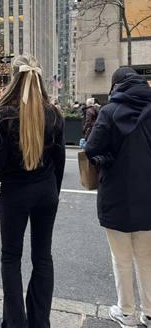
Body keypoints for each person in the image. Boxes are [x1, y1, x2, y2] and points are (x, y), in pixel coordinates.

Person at [0, 55, 66, 328]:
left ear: (13, 79)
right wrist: (53, 191)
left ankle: (15, 323)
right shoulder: (53, 114)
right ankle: (40, 322)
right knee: (43, 257)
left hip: (15, 193)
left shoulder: (1, 116)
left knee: (11, 258)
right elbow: (60, 161)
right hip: (46, 191)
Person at [86, 67, 151, 328]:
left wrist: (105, 160)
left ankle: (126, 312)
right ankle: (149, 311)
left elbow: (92, 148)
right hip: (148, 197)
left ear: (116, 86)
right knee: (147, 258)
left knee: (121, 258)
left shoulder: (109, 112)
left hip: (116, 196)